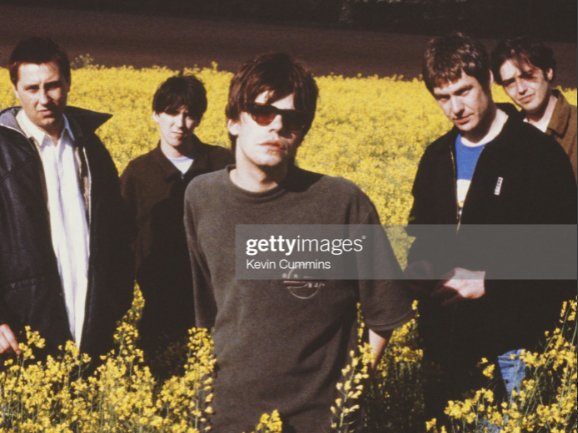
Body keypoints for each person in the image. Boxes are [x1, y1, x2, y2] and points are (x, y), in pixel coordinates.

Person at [183, 52, 413, 433]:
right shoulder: (201, 197)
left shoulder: (341, 202)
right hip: (226, 418)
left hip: (317, 422)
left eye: (293, 119)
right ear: (233, 121)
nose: (277, 126)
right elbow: (209, 310)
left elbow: (384, 313)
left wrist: (347, 400)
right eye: (262, 113)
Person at [406, 33, 576, 425]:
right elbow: (420, 236)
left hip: (513, 348)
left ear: (485, 78)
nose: (455, 107)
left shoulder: (537, 154)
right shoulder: (436, 157)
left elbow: (566, 255)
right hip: (448, 342)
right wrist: (414, 270)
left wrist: (491, 280)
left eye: (464, 91)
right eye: (443, 97)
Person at [0, 37, 133, 360]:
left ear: (69, 83)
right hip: (20, 328)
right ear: (15, 90)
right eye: (32, 88)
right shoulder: (2, 153)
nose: (43, 99)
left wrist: (115, 301)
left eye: (53, 86)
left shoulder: (92, 149)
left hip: (92, 323)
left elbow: (116, 235)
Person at [120, 75, 232, 374]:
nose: (179, 124)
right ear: (156, 114)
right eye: (171, 113)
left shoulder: (224, 164)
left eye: (189, 115)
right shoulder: (138, 174)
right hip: (160, 310)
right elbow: (120, 241)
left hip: (220, 312)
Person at [492, 36, 576, 179]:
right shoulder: (505, 132)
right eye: (510, 83)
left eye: (527, 76)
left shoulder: (574, 127)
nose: (520, 89)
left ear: (548, 72)